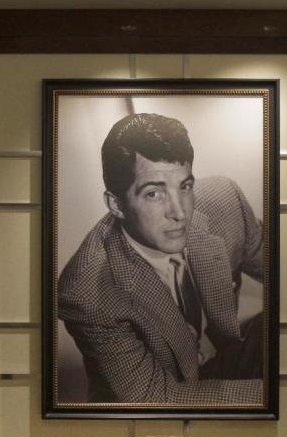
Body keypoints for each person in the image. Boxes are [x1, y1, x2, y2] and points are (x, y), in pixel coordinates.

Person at [58, 112, 264, 404]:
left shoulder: (225, 203)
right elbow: (158, 397)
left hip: (225, 361)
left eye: (185, 186)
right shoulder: (87, 293)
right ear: (115, 204)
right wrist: (273, 395)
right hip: (153, 402)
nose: (179, 212)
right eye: (154, 194)